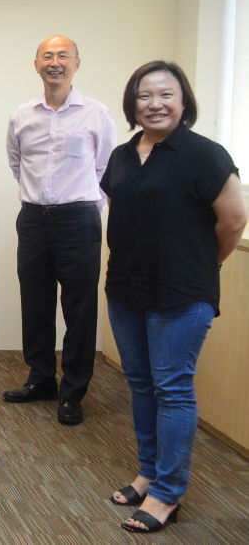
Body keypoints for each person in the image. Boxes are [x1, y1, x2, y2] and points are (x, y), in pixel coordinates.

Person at [101, 61, 246, 534]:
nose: (155, 103)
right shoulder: (123, 155)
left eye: (166, 94)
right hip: (126, 286)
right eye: (145, 95)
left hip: (183, 292)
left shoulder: (205, 155)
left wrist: (207, 266)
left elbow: (234, 220)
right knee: (140, 384)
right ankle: (147, 472)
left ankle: (167, 493)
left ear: (184, 102)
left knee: (173, 388)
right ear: (132, 103)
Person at [3, 35, 116, 425]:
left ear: (76, 64)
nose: (55, 62)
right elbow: (17, 164)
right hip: (33, 218)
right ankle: (40, 380)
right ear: (36, 65)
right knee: (35, 302)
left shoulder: (96, 113)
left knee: (80, 307)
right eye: (47, 56)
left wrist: (86, 204)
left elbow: (106, 169)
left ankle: (73, 391)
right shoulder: (22, 115)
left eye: (62, 55)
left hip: (79, 219)